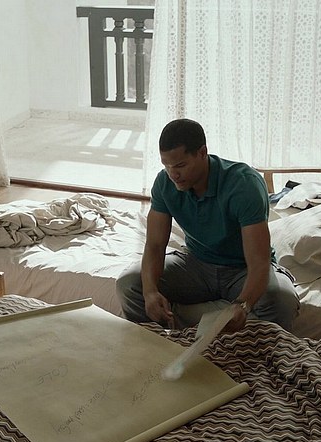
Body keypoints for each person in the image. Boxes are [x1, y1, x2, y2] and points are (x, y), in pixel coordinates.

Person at [116, 118, 298, 332]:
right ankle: (157, 345)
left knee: (281, 300)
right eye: (167, 166)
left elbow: (259, 261)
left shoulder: (243, 184)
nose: (173, 174)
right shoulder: (165, 183)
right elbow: (155, 246)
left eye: (180, 165)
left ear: (202, 153)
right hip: (196, 262)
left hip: (242, 269)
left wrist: (243, 304)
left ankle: (245, 348)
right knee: (129, 283)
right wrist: (150, 292)